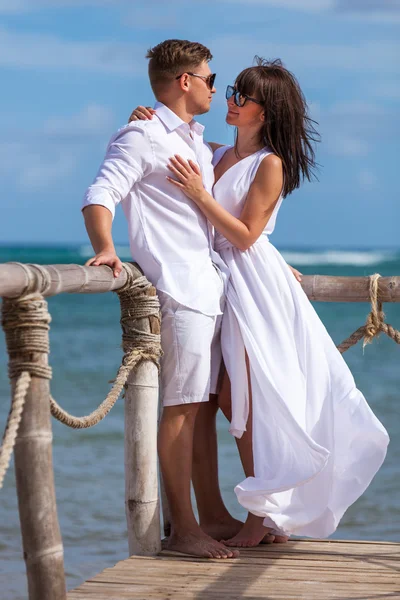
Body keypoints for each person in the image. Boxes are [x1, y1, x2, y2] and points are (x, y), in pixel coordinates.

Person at [131, 57, 390, 547]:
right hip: (222, 280)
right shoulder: (217, 154)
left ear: (265, 111)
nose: (230, 100)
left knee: (243, 396)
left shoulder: (270, 163)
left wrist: (200, 197)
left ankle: (260, 515)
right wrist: (146, 117)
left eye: (242, 96)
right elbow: (171, 145)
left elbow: (248, 235)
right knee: (230, 398)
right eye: (230, 90)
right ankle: (257, 511)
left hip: (252, 282)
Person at [81, 39, 242, 559]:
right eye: (211, 79)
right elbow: (100, 194)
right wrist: (106, 247)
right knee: (180, 409)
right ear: (186, 81)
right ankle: (184, 530)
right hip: (179, 288)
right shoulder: (142, 135)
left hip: (207, 285)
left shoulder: (193, 138)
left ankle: (211, 515)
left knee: (198, 409)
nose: (217, 88)